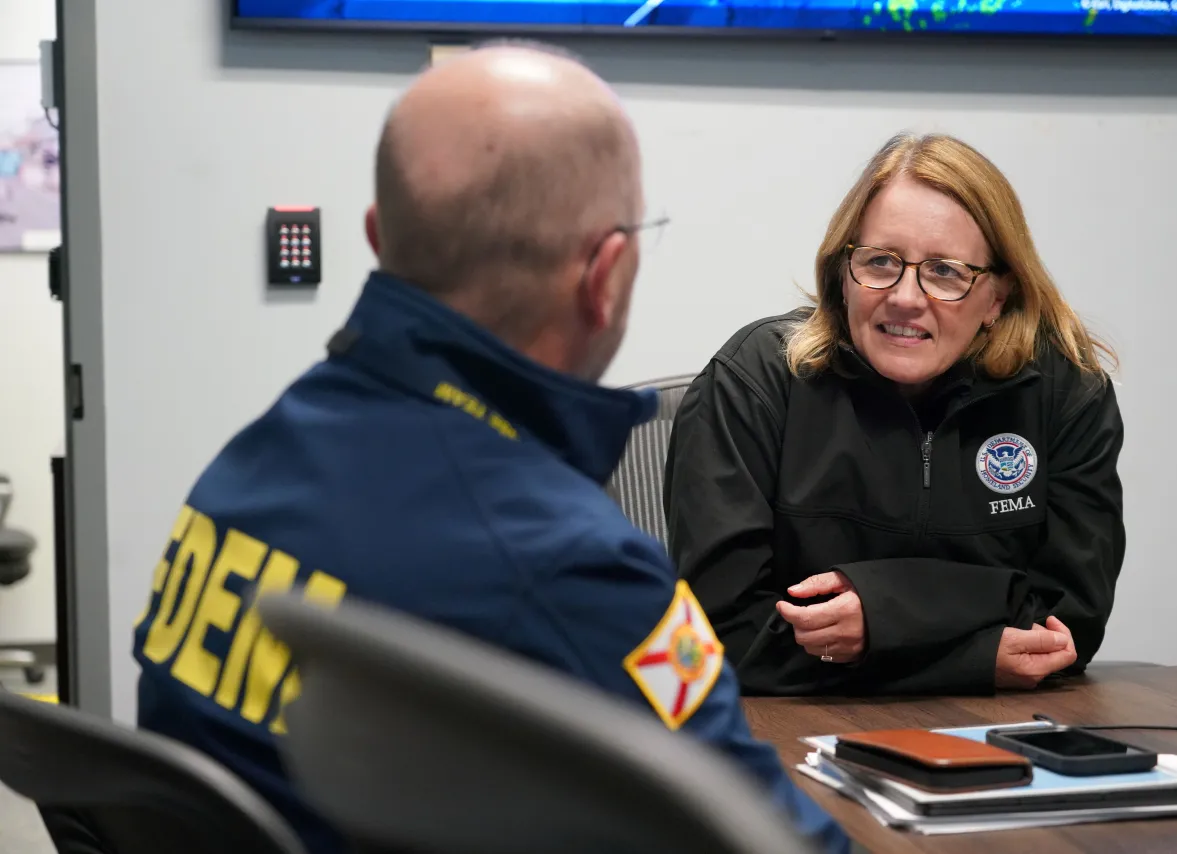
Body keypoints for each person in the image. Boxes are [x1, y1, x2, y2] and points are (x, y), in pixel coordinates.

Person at [128, 43, 851, 854]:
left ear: (378, 237)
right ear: (604, 274)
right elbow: (771, 841)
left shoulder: (257, 456)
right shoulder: (574, 564)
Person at [665, 132, 1124, 698]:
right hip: (784, 741)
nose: (906, 296)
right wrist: (973, 655)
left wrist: (885, 610)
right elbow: (720, 637)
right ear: (842, 273)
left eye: (946, 272)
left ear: (997, 299)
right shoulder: (754, 380)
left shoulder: (1064, 392)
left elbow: (1066, 627)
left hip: (996, 740)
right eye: (880, 262)